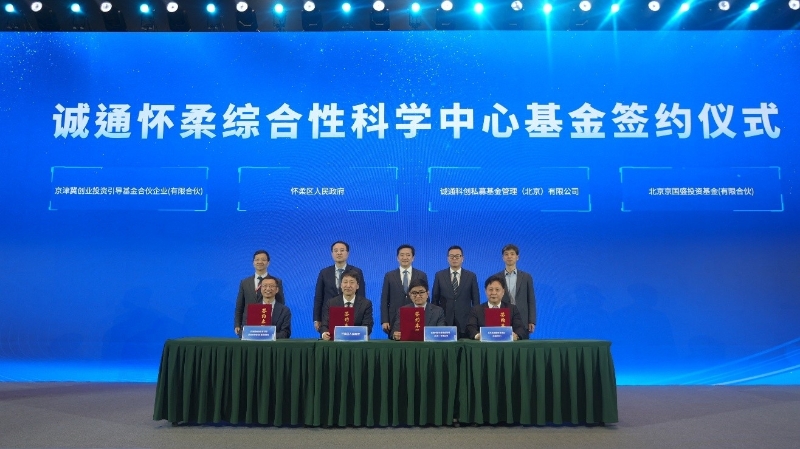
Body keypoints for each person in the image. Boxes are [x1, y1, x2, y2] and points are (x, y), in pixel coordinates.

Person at [313, 241, 366, 332]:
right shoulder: (324, 272)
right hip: (329, 314)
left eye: (342, 250)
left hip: (351, 313)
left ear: (347, 253)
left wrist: (361, 317)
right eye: (335, 250)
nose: (339, 253)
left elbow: (361, 295)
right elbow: (319, 297)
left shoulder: (357, 271)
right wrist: (317, 318)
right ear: (332, 253)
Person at [431, 245, 480, 339]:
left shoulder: (471, 276)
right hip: (444, 320)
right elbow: (435, 299)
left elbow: (476, 300)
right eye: (451, 256)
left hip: (465, 321)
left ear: (462, 258)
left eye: (457, 256)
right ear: (447, 258)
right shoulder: (439, 275)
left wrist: (475, 321)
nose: (454, 259)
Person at [234, 249, 285, 336]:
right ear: (253, 263)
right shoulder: (245, 282)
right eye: (257, 260)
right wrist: (237, 324)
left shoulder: (276, 282)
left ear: (268, 263)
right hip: (248, 325)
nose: (260, 262)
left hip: (269, 325)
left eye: (263, 260)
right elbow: (240, 306)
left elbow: (280, 304)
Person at [380, 244, 428, 336]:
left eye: (408, 255)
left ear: (413, 258)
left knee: (417, 339)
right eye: (402, 255)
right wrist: (384, 320)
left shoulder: (421, 275)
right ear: (397, 258)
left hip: (416, 316)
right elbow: (384, 299)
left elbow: (426, 298)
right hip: (394, 318)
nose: (405, 257)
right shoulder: (389, 276)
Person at [494, 243, 537, 338]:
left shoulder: (526, 277)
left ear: (517, 257)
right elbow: (493, 300)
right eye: (506, 254)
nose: (509, 256)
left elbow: (531, 300)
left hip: (522, 319)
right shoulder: (496, 278)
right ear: (503, 258)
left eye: (512, 254)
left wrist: (532, 321)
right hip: (502, 318)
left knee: (523, 346)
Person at [466, 275, 525, 341]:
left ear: (503, 292)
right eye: (490, 290)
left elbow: (520, 328)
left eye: (497, 290)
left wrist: (516, 336)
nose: (494, 293)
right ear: (485, 291)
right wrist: (477, 335)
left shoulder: (512, 309)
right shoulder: (476, 310)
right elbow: (470, 327)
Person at [320, 270, 374, 340]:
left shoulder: (366, 304)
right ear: (341, 285)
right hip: (336, 342)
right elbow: (324, 325)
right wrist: (324, 333)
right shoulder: (331, 303)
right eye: (345, 282)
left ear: (357, 286)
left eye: (352, 282)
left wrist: (352, 334)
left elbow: (367, 326)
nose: (348, 286)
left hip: (357, 341)